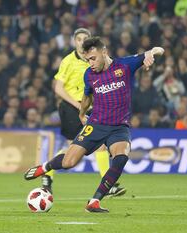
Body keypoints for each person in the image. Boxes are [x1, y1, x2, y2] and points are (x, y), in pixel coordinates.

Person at [25, 36, 164, 212]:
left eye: (93, 58)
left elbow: (158, 49)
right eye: (87, 59)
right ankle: (44, 167)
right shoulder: (89, 74)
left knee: (121, 157)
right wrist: (82, 113)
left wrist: (152, 54)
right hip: (96, 124)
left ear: (104, 52)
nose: (90, 63)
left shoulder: (125, 65)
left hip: (119, 127)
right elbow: (87, 96)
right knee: (69, 162)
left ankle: (95, 201)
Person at [43, 28, 125, 196]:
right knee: (72, 147)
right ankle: (47, 171)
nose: (81, 42)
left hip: (90, 109)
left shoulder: (93, 61)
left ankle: (108, 185)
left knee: (100, 145)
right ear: (74, 42)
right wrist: (77, 105)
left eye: (85, 39)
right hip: (71, 108)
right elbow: (58, 87)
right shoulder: (68, 61)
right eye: (78, 39)